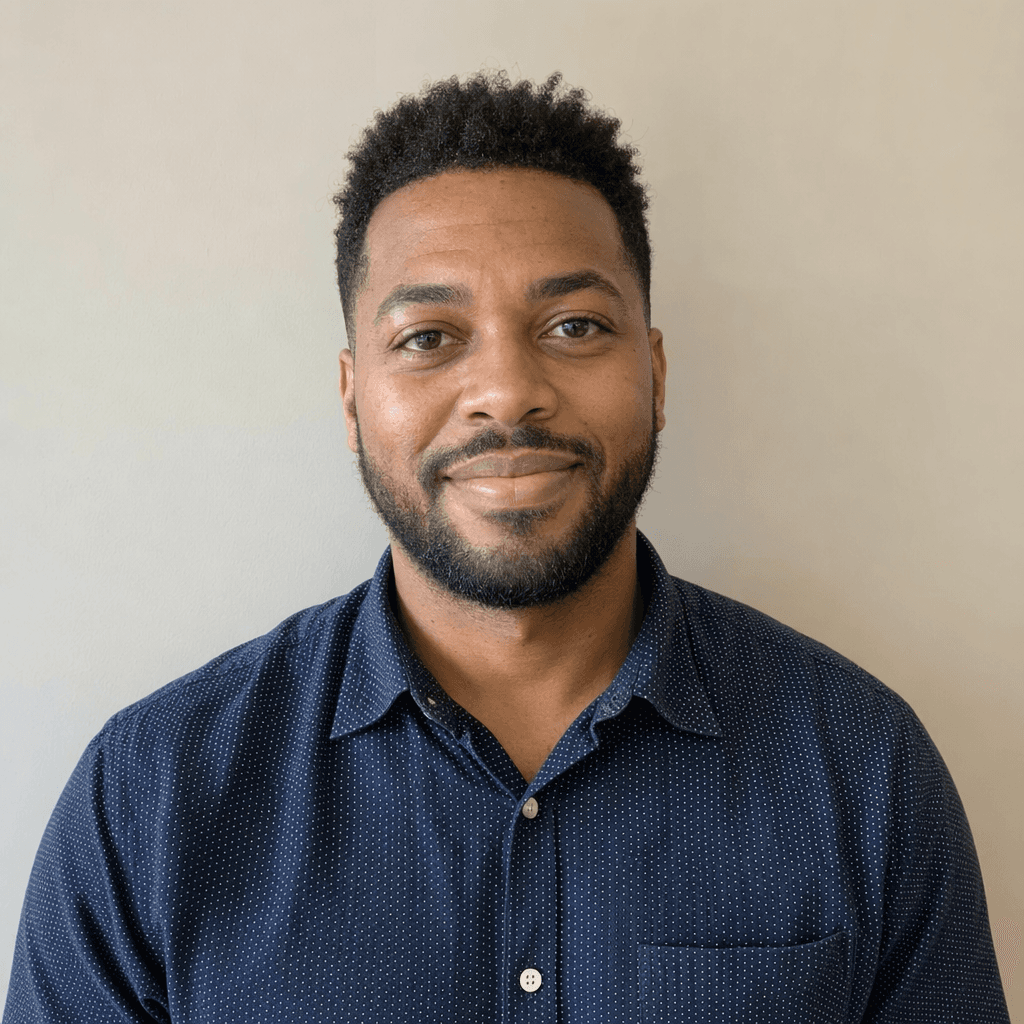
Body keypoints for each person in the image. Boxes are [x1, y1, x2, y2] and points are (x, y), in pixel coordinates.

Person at [3, 71, 1010, 1024]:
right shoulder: (150, 797)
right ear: (352, 399)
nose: (507, 392)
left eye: (573, 326)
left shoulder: (863, 769)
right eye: (429, 338)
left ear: (655, 374)